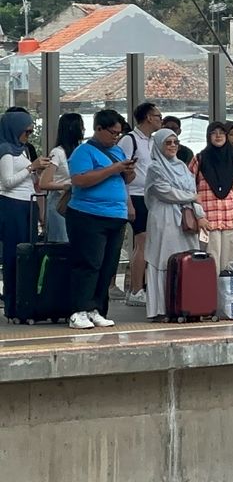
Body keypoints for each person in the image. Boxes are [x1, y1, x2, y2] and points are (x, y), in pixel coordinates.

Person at [64, 110, 133, 329]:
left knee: (108, 265)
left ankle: (97, 308)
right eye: (112, 133)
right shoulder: (83, 151)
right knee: (89, 263)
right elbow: (80, 180)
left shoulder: (118, 152)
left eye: (119, 134)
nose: (115, 137)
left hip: (116, 215)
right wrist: (113, 169)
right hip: (88, 214)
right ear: (99, 129)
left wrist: (127, 170)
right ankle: (78, 310)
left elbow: (126, 180)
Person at [144, 128, 210, 320]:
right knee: (163, 260)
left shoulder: (182, 167)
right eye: (168, 142)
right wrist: (191, 197)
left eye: (175, 142)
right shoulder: (154, 168)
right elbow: (164, 192)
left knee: (186, 261)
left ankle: (186, 304)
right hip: (164, 219)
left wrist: (200, 216)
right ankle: (161, 309)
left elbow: (194, 197)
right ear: (158, 145)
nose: (173, 146)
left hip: (185, 219)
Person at [0, 111, 48, 309]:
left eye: (30, 132)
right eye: (25, 132)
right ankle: (13, 301)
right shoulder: (5, 149)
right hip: (12, 204)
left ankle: (27, 298)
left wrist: (36, 171)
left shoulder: (24, 150)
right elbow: (8, 181)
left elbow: (29, 180)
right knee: (14, 252)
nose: (27, 136)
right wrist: (30, 168)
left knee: (29, 251)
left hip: (28, 203)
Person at [193, 121, 233, 270]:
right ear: (209, 136)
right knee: (209, 265)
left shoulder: (232, 161)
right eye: (214, 132)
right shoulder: (199, 159)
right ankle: (208, 294)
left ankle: (226, 295)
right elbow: (189, 190)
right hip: (208, 223)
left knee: (229, 267)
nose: (218, 135)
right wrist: (199, 216)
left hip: (229, 222)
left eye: (222, 132)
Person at [119, 101, 161, 307]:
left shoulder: (152, 142)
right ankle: (136, 289)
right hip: (135, 195)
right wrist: (128, 202)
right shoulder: (130, 140)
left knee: (147, 242)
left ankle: (141, 286)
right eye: (158, 116)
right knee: (142, 241)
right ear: (148, 117)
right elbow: (121, 172)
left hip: (150, 196)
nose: (160, 120)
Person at [41, 113, 83, 244]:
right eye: (81, 126)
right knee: (61, 243)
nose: (84, 130)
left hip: (76, 202)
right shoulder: (57, 152)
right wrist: (65, 185)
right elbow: (44, 183)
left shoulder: (81, 150)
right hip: (59, 201)